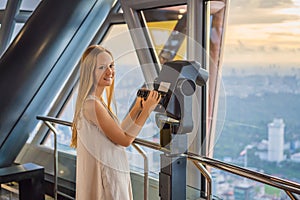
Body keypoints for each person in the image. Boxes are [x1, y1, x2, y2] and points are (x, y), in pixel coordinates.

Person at [70, 45, 161, 200]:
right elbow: (125, 140)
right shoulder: (92, 105)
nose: (109, 71)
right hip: (107, 179)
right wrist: (147, 110)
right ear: (90, 72)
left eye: (111, 65)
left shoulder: (96, 101)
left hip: (111, 172)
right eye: (102, 67)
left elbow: (117, 132)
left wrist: (137, 108)